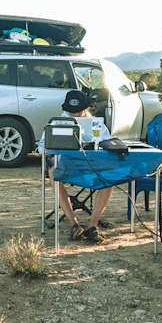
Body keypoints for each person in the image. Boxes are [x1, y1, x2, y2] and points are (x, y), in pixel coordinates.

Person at [55, 89, 112, 243]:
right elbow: (42, 147)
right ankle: (74, 224)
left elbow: (107, 142)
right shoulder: (57, 123)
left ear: (85, 109)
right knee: (54, 174)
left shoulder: (96, 124)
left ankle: (92, 226)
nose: (75, 115)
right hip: (66, 166)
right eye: (71, 112)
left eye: (78, 112)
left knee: (109, 179)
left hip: (92, 165)